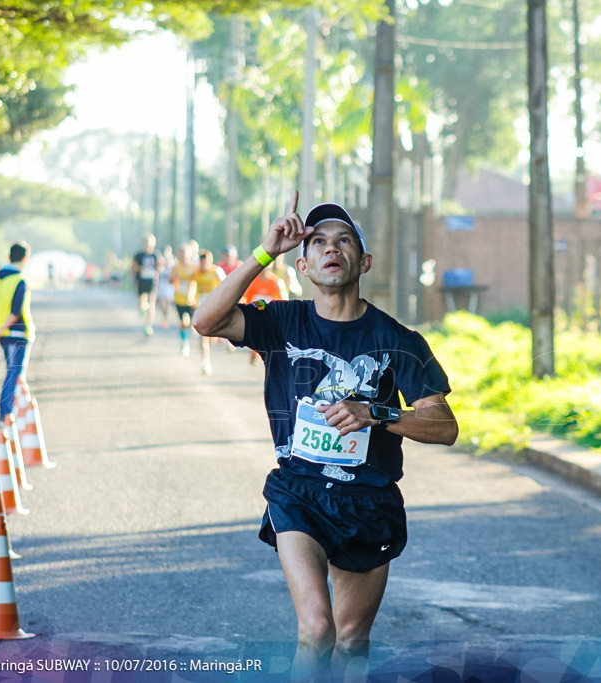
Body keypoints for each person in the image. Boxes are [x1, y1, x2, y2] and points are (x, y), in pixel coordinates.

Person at [193, 192, 458, 679]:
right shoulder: (280, 321)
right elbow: (204, 320)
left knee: (351, 639)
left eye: (344, 240)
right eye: (318, 242)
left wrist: (375, 412)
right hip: (300, 492)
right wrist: (264, 252)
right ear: (304, 265)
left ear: (365, 261)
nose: (331, 248)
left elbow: (444, 427)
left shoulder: (398, 341)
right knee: (317, 630)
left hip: (369, 502)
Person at [0, 242, 36, 428]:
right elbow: (16, 311)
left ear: (9, 258)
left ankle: (14, 412)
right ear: (25, 258)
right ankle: (5, 415)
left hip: (4, 336)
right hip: (19, 333)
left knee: (13, 373)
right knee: (14, 374)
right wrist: (2, 327)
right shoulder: (20, 281)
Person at [190, 250, 226, 375]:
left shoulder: (216, 272)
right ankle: (206, 362)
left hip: (215, 307)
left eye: (206, 262)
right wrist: (191, 299)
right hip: (201, 307)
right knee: (203, 335)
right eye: (202, 262)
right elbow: (191, 284)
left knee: (212, 338)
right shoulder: (196, 273)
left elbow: (227, 285)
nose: (204, 264)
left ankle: (217, 338)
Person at [170, 243, 198, 356]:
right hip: (179, 299)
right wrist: (175, 278)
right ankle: (184, 342)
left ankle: (186, 337)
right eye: (182, 254)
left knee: (191, 322)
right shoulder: (176, 267)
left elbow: (198, 280)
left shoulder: (194, 267)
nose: (183, 257)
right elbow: (170, 281)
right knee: (183, 322)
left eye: (186, 254)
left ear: (190, 255)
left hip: (192, 299)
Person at [131, 234, 162, 336]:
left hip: (152, 281)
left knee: (152, 302)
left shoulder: (156, 255)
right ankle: (143, 308)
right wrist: (141, 269)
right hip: (141, 281)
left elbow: (159, 268)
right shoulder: (139, 255)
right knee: (142, 302)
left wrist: (159, 267)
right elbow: (133, 267)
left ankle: (149, 325)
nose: (148, 246)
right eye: (146, 243)